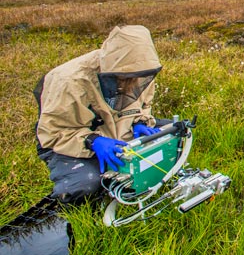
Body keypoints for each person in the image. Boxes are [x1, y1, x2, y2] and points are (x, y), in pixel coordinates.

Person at [34, 25, 165, 204]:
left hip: (121, 132)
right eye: (124, 79)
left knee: (175, 133)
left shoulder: (142, 70)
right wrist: (92, 141)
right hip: (69, 141)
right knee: (85, 184)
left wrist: (139, 122)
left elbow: (144, 105)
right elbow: (51, 133)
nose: (132, 83)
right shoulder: (68, 82)